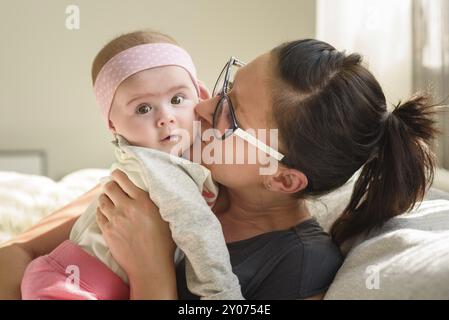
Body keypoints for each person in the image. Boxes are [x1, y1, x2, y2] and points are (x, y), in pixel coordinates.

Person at [0, 38, 438, 300]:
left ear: (282, 177)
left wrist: (151, 271)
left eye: (230, 113)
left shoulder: (298, 264)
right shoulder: (175, 172)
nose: (204, 105)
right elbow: (15, 253)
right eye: (227, 84)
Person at [19, 30, 242, 300]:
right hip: (80, 285)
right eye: (143, 109)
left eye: (177, 100)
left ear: (201, 94)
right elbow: (199, 232)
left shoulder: (178, 160)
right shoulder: (159, 169)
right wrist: (223, 295)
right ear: (112, 125)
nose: (165, 117)